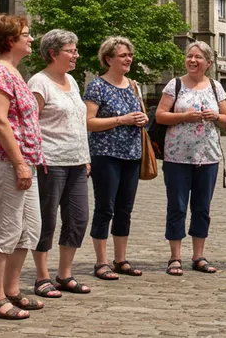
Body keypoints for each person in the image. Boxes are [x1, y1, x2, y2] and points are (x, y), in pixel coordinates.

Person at [0, 14, 45, 321]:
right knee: (6, 229)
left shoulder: (12, 71)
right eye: (26, 35)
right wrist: (19, 163)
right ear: (9, 41)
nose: (31, 39)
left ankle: (11, 290)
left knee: (29, 229)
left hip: (22, 160)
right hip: (4, 159)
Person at [154, 41, 226, 276]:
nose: (192, 60)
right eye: (190, 56)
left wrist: (216, 115)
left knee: (202, 208)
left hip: (207, 156)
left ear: (208, 63)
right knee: (177, 206)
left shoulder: (216, 87)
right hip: (177, 156)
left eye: (198, 57)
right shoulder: (174, 84)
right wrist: (184, 116)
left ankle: (198, 255)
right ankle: (175, 256)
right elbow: (160, 115)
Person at [27, 29, 92, 298]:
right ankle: (41, 277)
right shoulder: (39, 83)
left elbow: (78, 121)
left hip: (77, 161)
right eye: (71, 50)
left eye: (75, 49)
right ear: (53, 53)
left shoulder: (72, 81)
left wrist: (86, 157)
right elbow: (30, 123)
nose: (76, 54)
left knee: (78, 218)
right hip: (49, 162)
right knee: (46, 220)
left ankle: (65, 274)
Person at [83, 36, 148, 280]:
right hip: (106, 155)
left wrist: (141, 119)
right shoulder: (97, 86)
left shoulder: (133, 85)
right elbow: (89, 122)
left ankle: (120, 259)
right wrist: (122, 120)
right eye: (123, 55)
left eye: (130, 55)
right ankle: (101, 261)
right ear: (108, 59)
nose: (128, 59)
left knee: (125, 209)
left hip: (131, 155)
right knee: (105, 208)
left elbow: (139, 115)